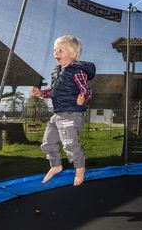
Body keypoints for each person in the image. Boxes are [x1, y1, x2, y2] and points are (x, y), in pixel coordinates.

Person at [32, 35, 96, 186]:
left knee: (70, 144)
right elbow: (53, 91)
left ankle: (80, 168)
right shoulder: (57, 72)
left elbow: (87, 90)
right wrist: (41, 93)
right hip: (57, 114)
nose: (56, 53)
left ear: (73, 54)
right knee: (48, 142)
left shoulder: (77, 71)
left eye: (61, 50)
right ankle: (56, 165)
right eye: (55, 50)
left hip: (71, 113)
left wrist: (83, 97)